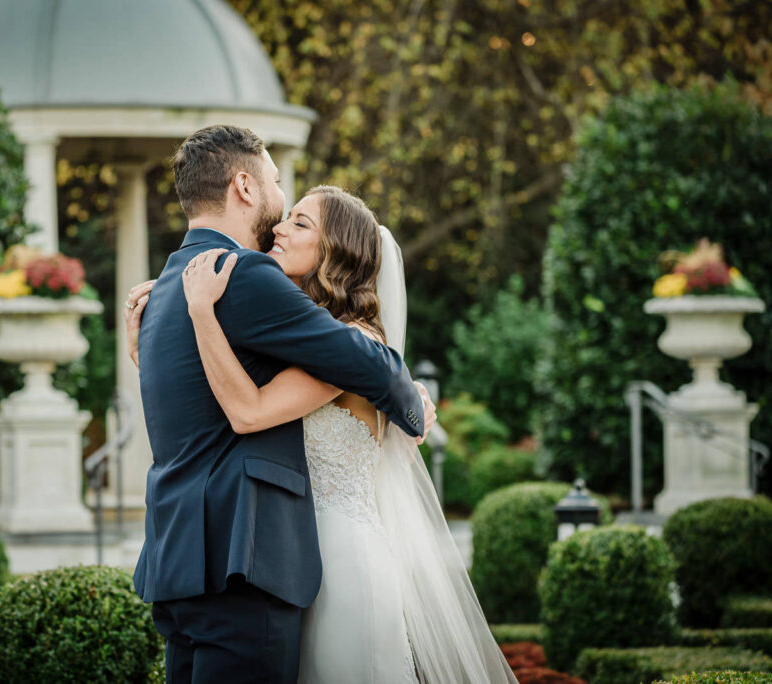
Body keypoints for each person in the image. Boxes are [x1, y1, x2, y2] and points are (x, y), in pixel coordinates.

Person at [128, 184, 518, 683]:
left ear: (336, 250)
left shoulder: (348, 346)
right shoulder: (300, 342)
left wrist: (200, 312)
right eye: (287, 216)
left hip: (339, 559)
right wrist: (152, 348)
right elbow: (216, 398)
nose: (278, 228)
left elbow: (248, 412)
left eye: (300, 223)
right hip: (289, 553)